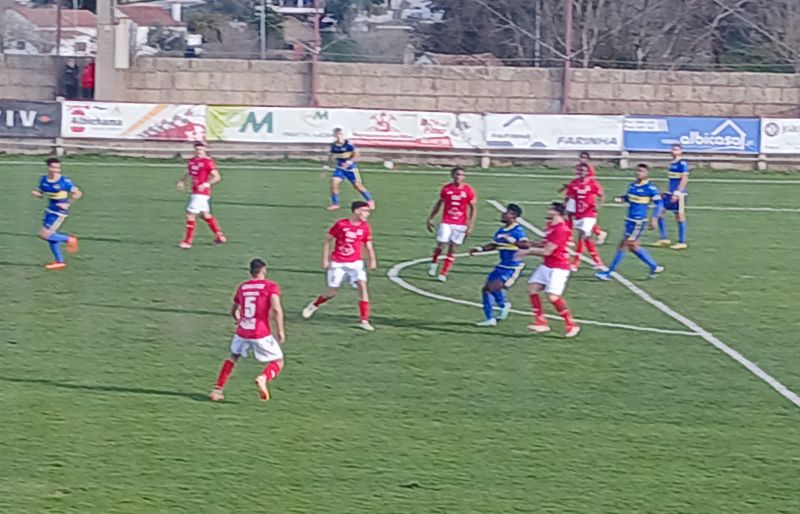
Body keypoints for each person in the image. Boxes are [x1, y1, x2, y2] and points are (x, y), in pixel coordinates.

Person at [210, 258, 285, 402]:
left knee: (233, 356)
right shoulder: (270, 286)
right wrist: (280, 330)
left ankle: (217, 390)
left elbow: (234, 310)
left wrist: (239, 320)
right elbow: (276, 309)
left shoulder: (243, 287)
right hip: (260, 332)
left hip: (243, 330)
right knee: (278, 361)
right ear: (263, 270)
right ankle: (263, 378)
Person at [302, 201, 377, 331]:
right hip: (338, 263)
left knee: (362, 287)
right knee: (331, 293)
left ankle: (364, 320)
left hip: (356, 263)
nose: (368, 214)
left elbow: (368, 245)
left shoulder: (365, 227)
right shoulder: (341, 225)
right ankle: (314, 305)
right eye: (365, 211)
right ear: (357, 211)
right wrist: (325, 260)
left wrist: (372, 260)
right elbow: (327, 240)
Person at [516, 202, 580, 337]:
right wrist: (530, 243)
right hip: (547, 265)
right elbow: (545, 243)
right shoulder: (552, 227)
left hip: (558, 267)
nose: (548, 211)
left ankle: (571, 324)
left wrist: (527, 252)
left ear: (557, 212)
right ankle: (541, 322)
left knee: (552, 297)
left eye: (551, 209)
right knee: (533, 288)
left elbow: (547, 251)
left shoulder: (561, 229)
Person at [596, 164, 665, 280]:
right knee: (633, 246)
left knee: (623, 245)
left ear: (647, 173)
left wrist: (654, 218)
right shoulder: (632, 186)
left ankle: (608, 273)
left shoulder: (650, 188)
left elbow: (660, 204)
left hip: (638, 221)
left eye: (642, 171)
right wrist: (622, 198)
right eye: (638, 171)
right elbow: (629, 197)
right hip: (629, 220)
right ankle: (654, 266)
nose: (639, 173)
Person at [469, 203, 530, 327]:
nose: (503, 214)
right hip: (502, 266)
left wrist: (514, 241)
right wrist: (480, 249)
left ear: (513, 216)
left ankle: (502, 306)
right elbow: (494, 245)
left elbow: (526, 245)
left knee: (491, 287)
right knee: (486, 289)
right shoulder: (501, 231)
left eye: (506, 212)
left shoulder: (517, 231)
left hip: (513, 268)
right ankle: (492, 316)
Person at [425, 166, 477, 282]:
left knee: (453, 249)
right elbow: (439, 204)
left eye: (461, 175)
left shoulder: (468, 190)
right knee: (441, 244)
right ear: (452, 175)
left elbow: (473, 208)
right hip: (447, 221)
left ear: (464, 177)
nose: (459, 177)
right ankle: (434, 261)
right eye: (457, 174)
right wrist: (431, 218)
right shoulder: (446, 189)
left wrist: (470, 225)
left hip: (460, 224)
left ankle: (444, 272)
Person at [32, 158, 81, 270]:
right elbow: (40, 191)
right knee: (50, 237)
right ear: (49, 168)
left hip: (59, 212)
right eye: (53, 167)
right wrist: (37, 194)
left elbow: (78, 193)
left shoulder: (64, 181)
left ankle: (69, 239)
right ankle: (60, 262)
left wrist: (68, 204)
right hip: (49, 210)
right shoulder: (44, 179)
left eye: (58, 168)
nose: (56, 170)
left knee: (45, 235)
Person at [177, 142, 226, 248]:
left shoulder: (208, 162)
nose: (199, 151)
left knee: (190, 214)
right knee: (204, 215)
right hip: (195, 191)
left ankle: (187, 241)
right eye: (197, 149)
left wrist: (206, 184)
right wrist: (182, 180)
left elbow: (217, 177)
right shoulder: (192, 161)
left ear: (204, 150)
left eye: (201, 149)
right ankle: (219, 236)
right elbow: (189, 173)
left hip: (201, 193)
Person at [564, 163, 605, 272]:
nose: (582, 172)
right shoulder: (574, 183)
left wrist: (598, 205)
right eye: (580, 170)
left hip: (589, 214)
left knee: (582, 236)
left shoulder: (593, 183)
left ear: (588, 172)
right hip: (578, 214)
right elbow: (569, 197)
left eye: (584, 170)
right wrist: (566, 209)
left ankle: (576, 262)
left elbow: (601, 195)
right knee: (587, 239)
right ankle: (598, 261)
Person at [325, 128, 374, 211]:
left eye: (340, 134)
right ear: (334, 135)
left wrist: (350, 161)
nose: (338, 136)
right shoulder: (333, 145)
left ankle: (370, 201)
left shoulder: (348, 144)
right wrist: (327, 165)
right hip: (340, 169)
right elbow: (331, 156)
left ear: (342, 135)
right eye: (336, 135)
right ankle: (335, 204)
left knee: (358, 186)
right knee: (334, 184)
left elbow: (357, 153)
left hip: (351, 169)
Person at [654, 144, 689, 250]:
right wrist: (665, 191)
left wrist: (678, 193)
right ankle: (664, 238)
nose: (673, 151)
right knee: (660, 212)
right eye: (673, 149)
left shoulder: (682, 164)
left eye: (676, 149)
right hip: (669, 193)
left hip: (679, 194)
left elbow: (684, 179)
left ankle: (682, 242)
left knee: (679, 216)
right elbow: (672, 181)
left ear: (680, 151)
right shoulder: (671, 164)